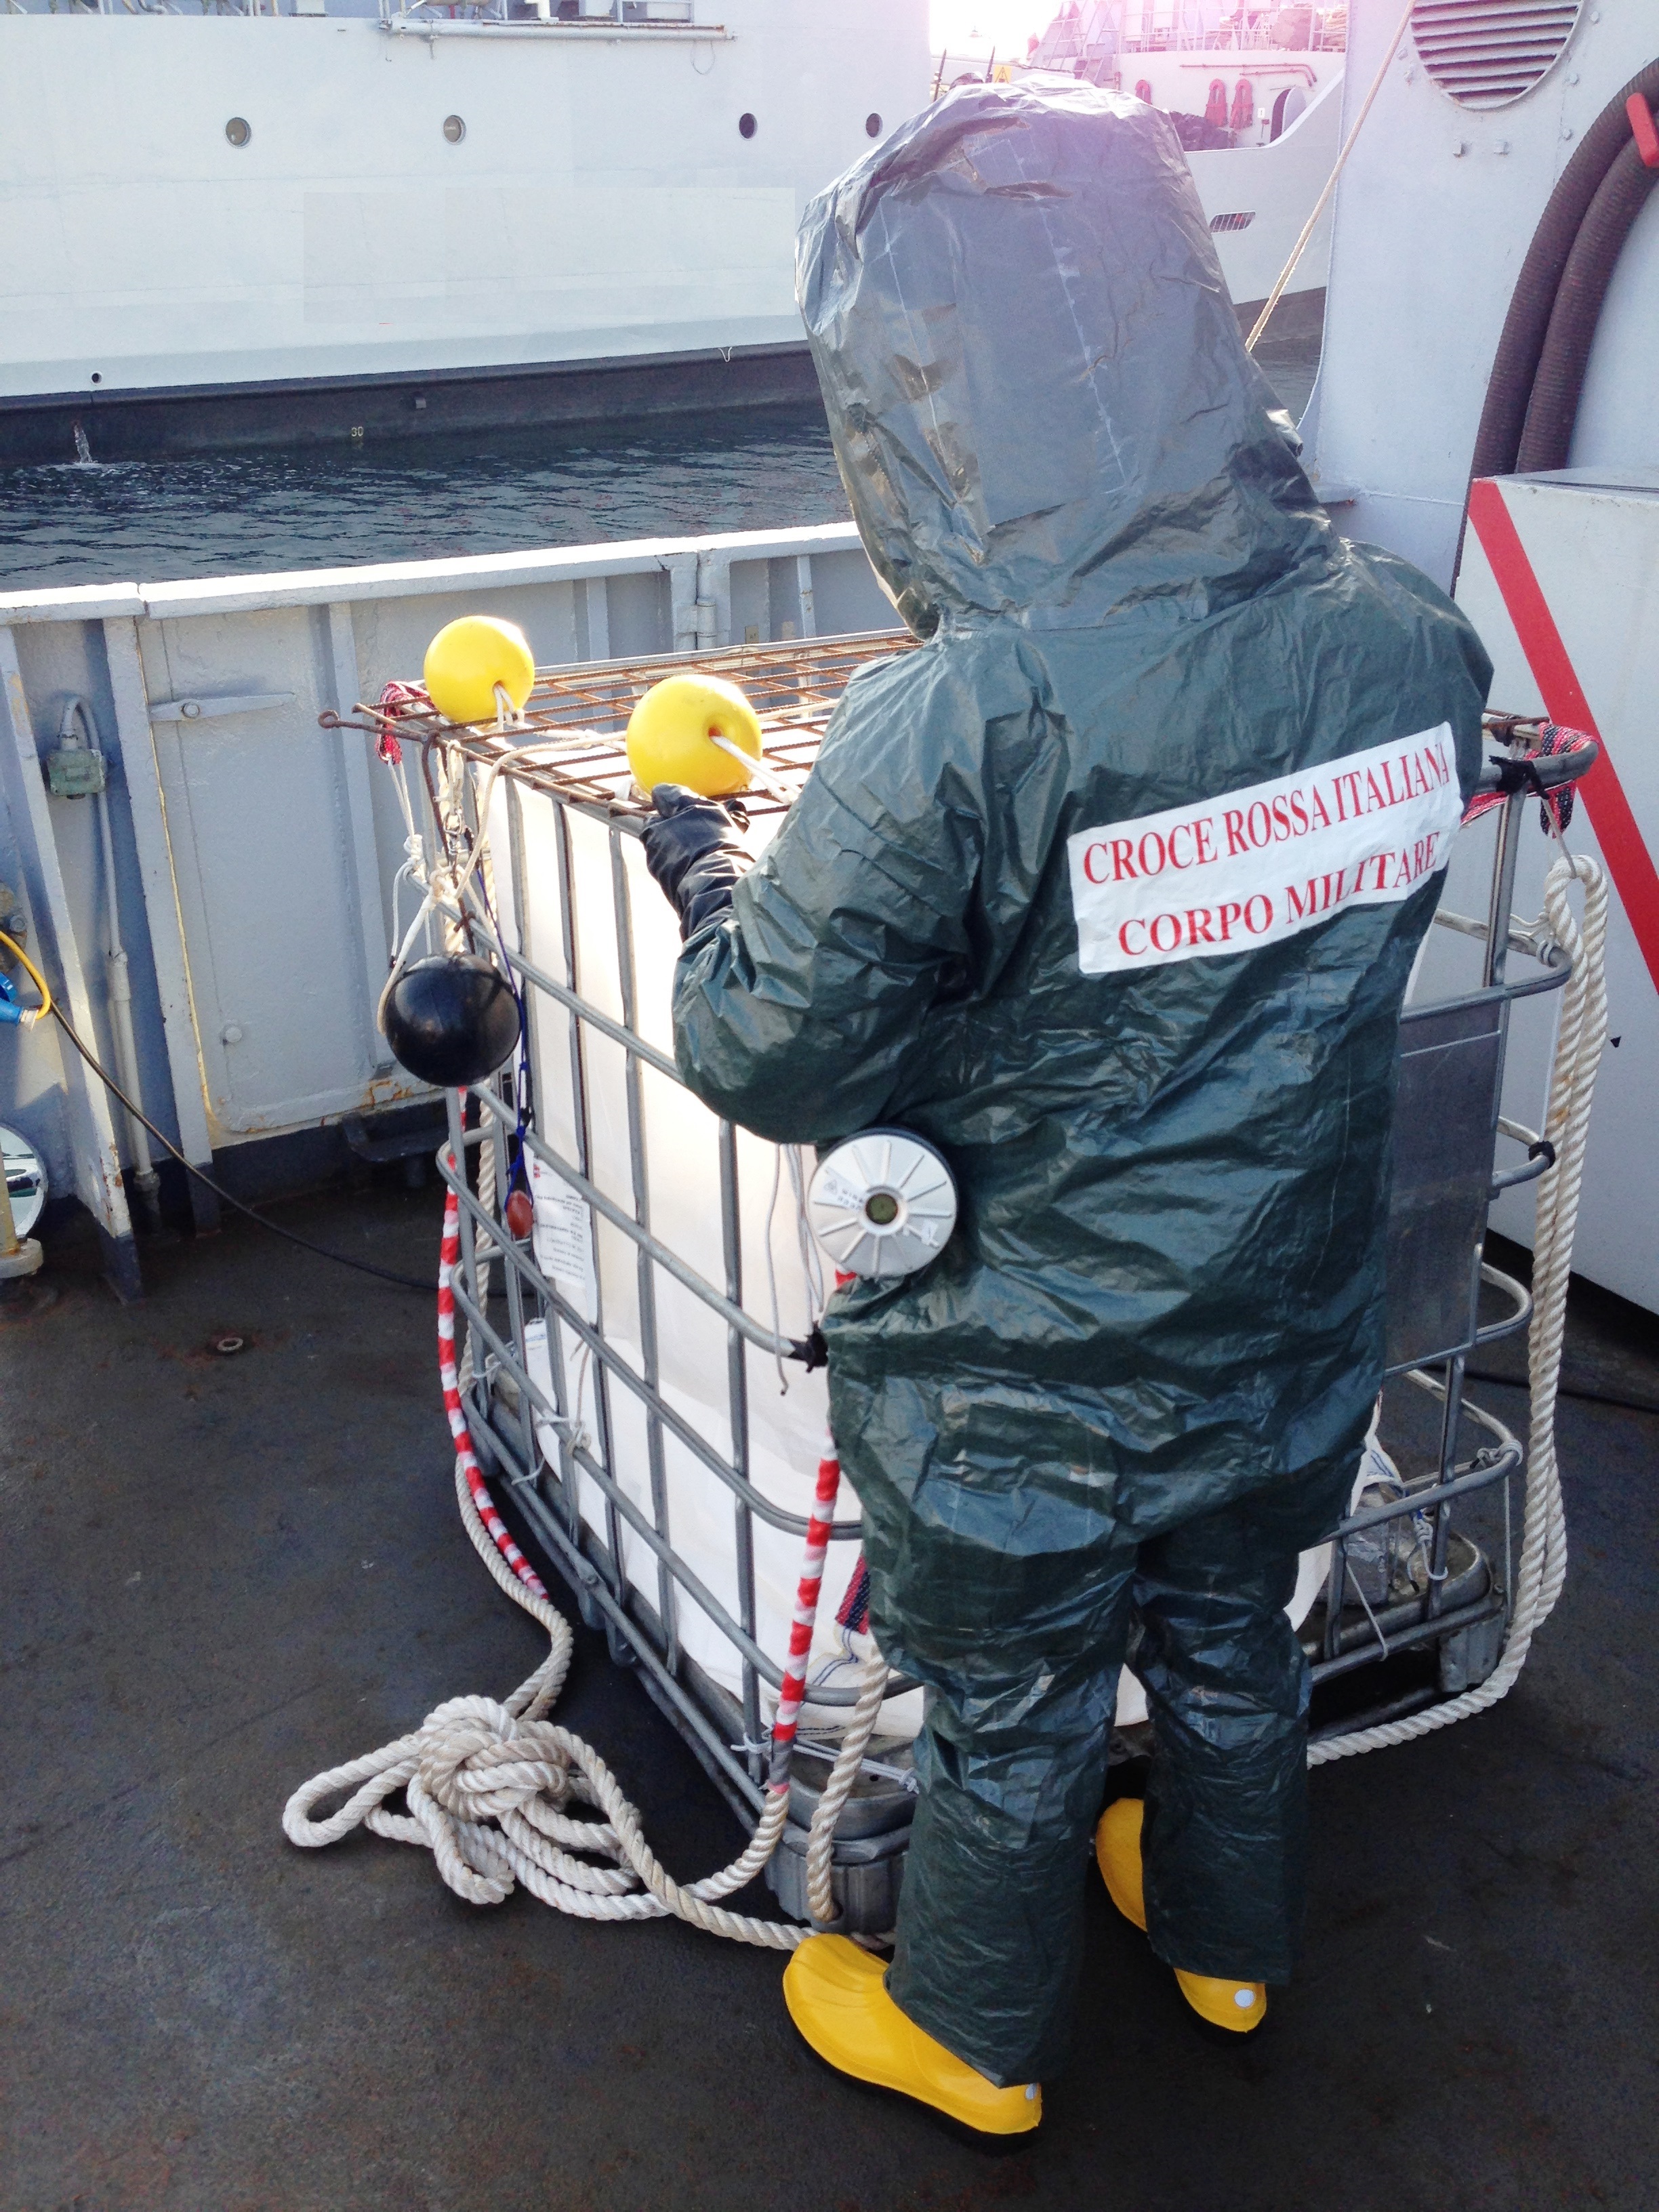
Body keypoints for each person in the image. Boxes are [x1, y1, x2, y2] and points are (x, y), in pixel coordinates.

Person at [642, 79, 1490, 2137]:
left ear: (913, 400)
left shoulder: (958, 720)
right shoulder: (1409, 648)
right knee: (1232, 1642)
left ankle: (973, 2036)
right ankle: (1222, 1940)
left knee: (1014, 1708)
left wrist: (700, 868)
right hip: (1285, 1323)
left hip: (1028, 1371)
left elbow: (765, 1051)